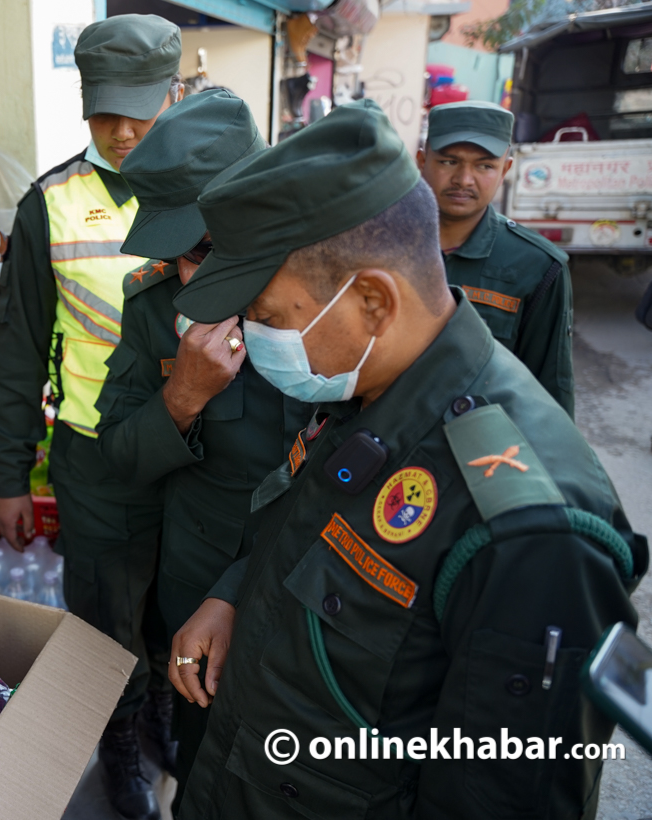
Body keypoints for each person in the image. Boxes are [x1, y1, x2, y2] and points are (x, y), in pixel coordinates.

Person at [168, 100, 647, 819]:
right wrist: (237, 593)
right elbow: (313, 537)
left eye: (268, 317)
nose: (254, 337)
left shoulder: (531, 534)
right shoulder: (369, 384)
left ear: (371, 301)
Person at [0, 14, 182, 820]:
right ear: (83, 103)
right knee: (106, 624)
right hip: (97, 458)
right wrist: (9, 473)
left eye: (141, 108)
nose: (125, 129)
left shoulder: (214, 189)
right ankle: (119, 747)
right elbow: (19, 347)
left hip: (196, 450)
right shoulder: (51, 206)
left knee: (179, 605)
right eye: (106, 112)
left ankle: (169, 713)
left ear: (174, 96)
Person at [94, 88, 310, 807]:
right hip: (192, 591)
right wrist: (181, 397)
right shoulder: (155, 303)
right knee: (202, 766)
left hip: (309, 586)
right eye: (177, 255)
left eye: (208, 251)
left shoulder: (328, 295)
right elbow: (119, 457)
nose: (192, 279)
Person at [418, 101, 574, 416]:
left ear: (505, 170)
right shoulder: (378, 245)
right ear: (422, 161)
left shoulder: (538, 266)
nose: (464, 179)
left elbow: (550, 396)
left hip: (481, 453)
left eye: (484, 166)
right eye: (449, 161)